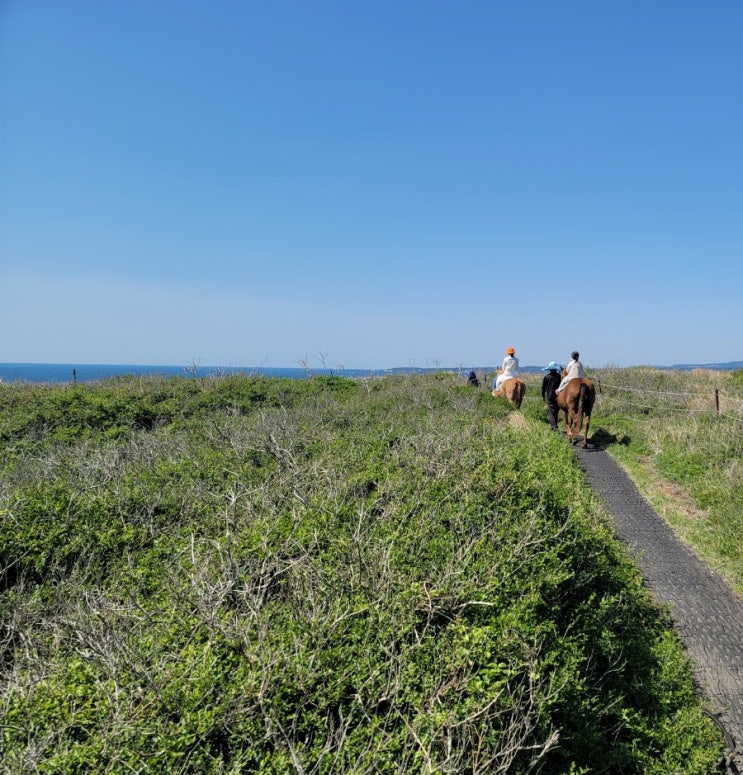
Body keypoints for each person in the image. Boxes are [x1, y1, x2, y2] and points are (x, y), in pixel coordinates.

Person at [541, 361, 563, 430]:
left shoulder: (547, 377)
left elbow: (543, 387)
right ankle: (555, 425)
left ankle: (554, 427)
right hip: (557, 396)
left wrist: (543, 396)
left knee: (551, 412)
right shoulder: (559, 376)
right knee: (556, 411)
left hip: (549, 396)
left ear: (550, 369)